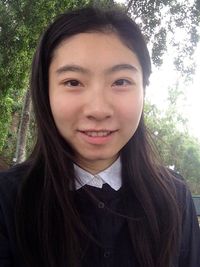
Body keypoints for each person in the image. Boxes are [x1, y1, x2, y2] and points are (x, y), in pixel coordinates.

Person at [0, 6, 199, 267]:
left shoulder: (174, 197)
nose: (98, 110)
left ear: (144, 89)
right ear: (45, 91)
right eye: (73, 82)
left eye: (120, 82)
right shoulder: (7, 200)